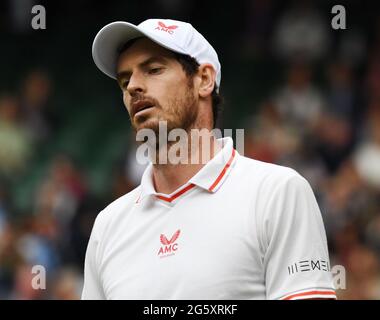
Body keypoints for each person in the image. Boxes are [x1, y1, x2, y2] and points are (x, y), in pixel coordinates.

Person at [82, 18, 336, 300]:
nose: (133, 88)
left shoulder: (277, 193)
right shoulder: (107, 225)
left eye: (153, 70)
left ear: (204, 79)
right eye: (125, 80)